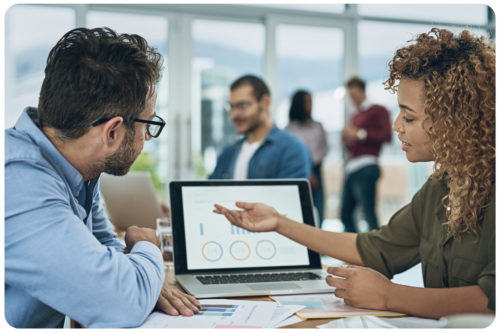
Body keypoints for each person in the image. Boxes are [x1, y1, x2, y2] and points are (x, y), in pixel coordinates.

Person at [213, 28, 497, 319]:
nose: (397, 125)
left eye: (408, 116)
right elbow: (374, 248)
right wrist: (279, 222)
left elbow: (490, 301)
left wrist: (389, 295)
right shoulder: (441, 188)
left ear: (456, 120)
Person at [3, 28, 200, 330]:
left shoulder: (76, 167)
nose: (148, 136)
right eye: (148, 124)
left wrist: (141, 281)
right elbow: (122, 304)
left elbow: (106, 251)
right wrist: (148, 247)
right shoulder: (18, 181)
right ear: (112, 132)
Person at [210, 75, 312, 180]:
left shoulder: (291, 149)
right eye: (231, 107)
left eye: (242, 106)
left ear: (265, 102)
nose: (233, 115)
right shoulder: (228, 153)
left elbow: (289, 196)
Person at [341, 77, 392, 232]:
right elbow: (354, 145)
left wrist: (360, 134)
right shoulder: (355, 117)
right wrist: (348, 141)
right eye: (350, 95)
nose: (353, 99)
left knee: (368, 211)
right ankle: (354, 248)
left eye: (355, 94)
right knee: (345, 213)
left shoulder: (378, 110)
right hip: (352, 167)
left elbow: (386, 136)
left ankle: (375, 251)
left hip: (367, 165)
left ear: (363, 91)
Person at [285, 90, 329, 224]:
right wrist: (306, 170)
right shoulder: (289, 130)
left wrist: (312, 167)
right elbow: (289, 155)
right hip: (297, 172)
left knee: (318, 209)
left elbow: (324, 148)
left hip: (316, 169)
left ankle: (317, 244)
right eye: (307, 102)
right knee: (298, 211)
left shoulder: (317, 126)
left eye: (311, 102)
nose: (310, 105)